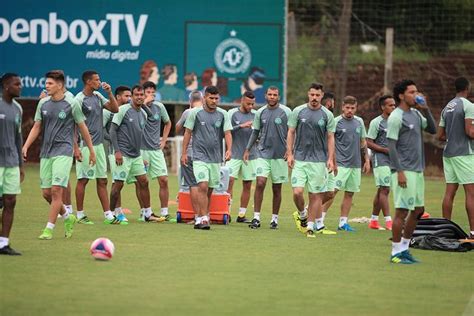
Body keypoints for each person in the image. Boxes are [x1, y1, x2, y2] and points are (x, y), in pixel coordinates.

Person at [22, 70, 96, 239]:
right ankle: (67, 216)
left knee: (56, 191)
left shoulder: (72, 103)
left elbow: (82, 127)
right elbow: (36, 126)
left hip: (64, 151)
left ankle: (48, 229)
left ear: (60, 85)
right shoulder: (43, 104)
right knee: (46, 194)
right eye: (46, 83)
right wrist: (25, 146)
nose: (46, 86)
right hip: (46, 152)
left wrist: (91, 150)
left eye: (50, 83)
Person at [387, 79, 436, 264]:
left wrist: (426, 109)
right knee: (401, 212)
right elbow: (391, 146)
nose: (416, 95)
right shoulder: (396, 117)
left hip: (417, 170)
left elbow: (431, 129)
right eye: (412, 92)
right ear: (401, 96)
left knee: (418, 210)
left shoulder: (416, 113)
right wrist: (399, 171)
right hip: (404, 171)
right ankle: (395, 253)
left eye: (417, 91)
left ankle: (405, 249)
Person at [287, 83, 337, 237]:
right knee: (297, 192)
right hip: (300, 159)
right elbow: (291, 132)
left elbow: (330, 137)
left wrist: (330, 158)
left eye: (317, 95)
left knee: (315, 195)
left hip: (319, 160)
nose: (314, 98)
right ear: (308, 95)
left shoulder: (327, 115)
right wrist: (290, 153)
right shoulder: (298, 111)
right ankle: (302, 215)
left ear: (322, 96)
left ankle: (310, 226)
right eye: (312, 95)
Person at [109, 85, 162, 223]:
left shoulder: (143, 112)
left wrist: (143, 106)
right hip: (123, 155)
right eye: (136, 95)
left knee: (144, 182)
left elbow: (151, 116)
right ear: (131, 96)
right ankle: (110, 214)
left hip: (136, 155)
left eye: (141, 95)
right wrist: (117, 151)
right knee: (118, 185)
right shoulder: (122, 110)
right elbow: (112, 131)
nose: (139, 97)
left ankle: (147, 213)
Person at [181, 86, 232, 230]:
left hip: (215, 158)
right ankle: (203, 218)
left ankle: (201, 217)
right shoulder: (195, 113)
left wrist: (229, 149)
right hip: (199, 156)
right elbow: (187, 133)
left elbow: (227, 133)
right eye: (211, 98)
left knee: (209, 189)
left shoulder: (223, 114)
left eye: (216, 98)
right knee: (202, 185)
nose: (214, 101)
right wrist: (184, 153)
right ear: (205, 98)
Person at [74, 70, 120, 225]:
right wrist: (76, 147)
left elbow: (115, 109)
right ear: (88, 81)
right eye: (96, 80)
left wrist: (110, 93)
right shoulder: (78, 100)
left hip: (100, 146)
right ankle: (80, 215)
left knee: (102, 180)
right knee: (83, 179)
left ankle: (108, 215)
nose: (100, 82)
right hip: (85, 147)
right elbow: (73, 125)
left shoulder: (98, 97)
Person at [243, 86, 291, 229]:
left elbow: (292, 132)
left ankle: (274, 219)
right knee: (260, 183)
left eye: (274, 95)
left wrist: (290, 150)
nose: (272, 97)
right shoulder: (260, 112)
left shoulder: (287, 112)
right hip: (262, 153)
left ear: (278, 96)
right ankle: (256, 217)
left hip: (280, 156)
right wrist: (247, 149)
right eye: (269, 94)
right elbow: (255, 132)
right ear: (265, 95)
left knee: (277, 188)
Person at [324, 96, 371, 232]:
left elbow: (363, 142)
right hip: (340, 164)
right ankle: (319, 220)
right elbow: (329, 142)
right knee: (331, 193)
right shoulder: (336, 122)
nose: (350, 110)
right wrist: (333, 161)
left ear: (356, 108)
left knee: (350, 193)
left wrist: (366, 160)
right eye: (347, 108)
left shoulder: (359, 122)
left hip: (355, 164)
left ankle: (343, 223)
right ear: (343, 107)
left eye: (353, 108)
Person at [438, 77, 474, 238]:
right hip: (464, 154)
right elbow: (470, 132)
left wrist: (452, 136)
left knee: (449, 192)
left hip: (448, 153)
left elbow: (440, 135)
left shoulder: (447, 107)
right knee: (471, 193)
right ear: (468, 88)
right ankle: (473, 232)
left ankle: (445, 230)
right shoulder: (468, 105)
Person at [136, 81, 172, 221]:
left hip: (156, 150)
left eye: (153, 92)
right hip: (141, 151)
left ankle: (164, 212)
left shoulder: (159, 107)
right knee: (141, 182)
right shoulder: (138, 108)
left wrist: (163, 140)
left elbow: (168, 122)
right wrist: (144, 103)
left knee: (163, 180)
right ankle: (144, 212)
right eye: (148, 92)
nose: (151, 95)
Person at [0, 73, 24, 255]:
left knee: (10, 201)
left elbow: (18, 137)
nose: (20, 87)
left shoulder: (18, 109)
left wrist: (20, 165)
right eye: (17, 84)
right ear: (6, 86)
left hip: (11, 163)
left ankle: (4, 243)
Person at [227, 91, 257, 223]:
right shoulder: (232, 113)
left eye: (252, 104)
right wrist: (241, 126)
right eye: (248, 103)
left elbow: (260, 133)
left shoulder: (256, 115)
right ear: (241, 101)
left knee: (247, 184)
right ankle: (225, 212)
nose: (250, 106)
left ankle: (241, 215)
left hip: (250, 156)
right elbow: (225, 130)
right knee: (229, 182)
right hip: (234, 154)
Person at [367, 95, 396, 230]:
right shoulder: (376, 122)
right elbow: (368, 142)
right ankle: (389, 221)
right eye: (390, 105)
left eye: (394, 105)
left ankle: (373, 221)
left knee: (381, 190)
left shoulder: (396, 121)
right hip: (380, 159)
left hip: (393, 159)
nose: (393, 107)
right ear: (383, 107)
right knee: (385, 189)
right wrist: (384, 150)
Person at [103, 86, 132, 220]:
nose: (129, 98)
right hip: (114, 152)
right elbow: (102, 130)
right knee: (117, 182)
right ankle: (117, 212)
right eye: (126, 96)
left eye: (129, 96)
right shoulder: (108, 112)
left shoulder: (127, 112)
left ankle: (115, 211)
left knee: (120, 182)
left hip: (128, 152)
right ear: (118, 97)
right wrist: (115, 142)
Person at [176, 90, 204, 224]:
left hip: (190, 152)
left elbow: (177, 128)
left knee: (193, 185)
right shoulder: (208, 111)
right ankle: (205, 215)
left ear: (190, 101)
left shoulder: (188, 112)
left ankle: (198, 216)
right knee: (204, 184)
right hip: (206, 154)